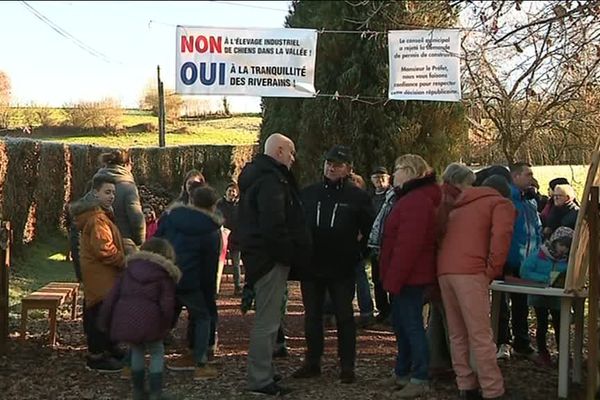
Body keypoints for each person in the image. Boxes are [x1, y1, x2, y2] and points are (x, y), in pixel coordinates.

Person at [293, 145, 374, 384]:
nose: (331, 167)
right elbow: (296, 223)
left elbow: (370, 231)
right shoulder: (309, 192)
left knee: (345, 316)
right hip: (312, 264)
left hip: (342, 266)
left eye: (337, 164)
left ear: (348, 168)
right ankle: (312, 362)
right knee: (312, 316)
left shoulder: (357, 197)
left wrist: (359, 254)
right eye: (328, 162)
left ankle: (347, 365)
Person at [237, 133, 310, 396]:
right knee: (267, 322)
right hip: (269, 259)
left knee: (269, 320)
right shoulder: (272, 182)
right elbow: (274, 225)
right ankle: (259, 378)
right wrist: (287, 254)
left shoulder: (258, 178)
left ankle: (264, 370)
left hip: (260, 256)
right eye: (290, 153)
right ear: (279, 151)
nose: (293, 159)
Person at [437, 175, 516, 400]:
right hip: (471, 271)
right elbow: (502, 236)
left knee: (457, 333)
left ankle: (466, 386)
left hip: (445, 270)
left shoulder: (458, 204)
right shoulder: (499, 203)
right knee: (480, 334)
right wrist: (492, 269)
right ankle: (493, 390)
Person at [379, 154, 441, 398]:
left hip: (410, 276)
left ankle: (420, 376)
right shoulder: (414, 198)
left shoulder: (415, 201)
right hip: (407, 274)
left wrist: (393, 279)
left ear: (410, 171)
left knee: (412, 326)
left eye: (397, 169)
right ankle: (403, 371)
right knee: (403, 326)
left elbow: (408, 246)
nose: (394, 175)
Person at [99, 238, 182, 400]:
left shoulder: (128, 270)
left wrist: (105, 318)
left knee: (137, 349)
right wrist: (167, 324)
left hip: (128, 318)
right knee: (157, 351)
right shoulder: (164, 275)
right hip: (152, 321)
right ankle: (155, 392)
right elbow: (167, 304)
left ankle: (138, 390)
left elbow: (112, 296)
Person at [156, 186, 222, 380]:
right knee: (202, 316)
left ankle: (135, 359)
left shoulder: (171, 218)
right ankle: (200, 362)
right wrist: (209, 293)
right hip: (191, 279)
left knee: (164, 316)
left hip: (168, 273)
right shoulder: (210, 230)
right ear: (212, 206)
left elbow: (157, 240)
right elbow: (209, 266)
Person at [70, 174, 125, 372]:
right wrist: (124, 260)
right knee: (99, 316)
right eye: (107, 192)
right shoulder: (96, 220)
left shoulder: (101, 216)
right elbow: (104, 250)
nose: (111, 196)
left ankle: (109, 349)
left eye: (113, 193)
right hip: (100, 276)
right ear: (95, 193)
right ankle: (97, 356)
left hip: (102, 276)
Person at [429, 163, 476, 378]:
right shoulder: (449, 201)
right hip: (447, 265)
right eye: (468, 184)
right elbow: (442, 232)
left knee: (438, 316)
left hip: (440, 265)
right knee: (452, 319)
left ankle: (436, 362)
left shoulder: (443, 197)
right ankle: (462, 370)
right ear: (458, 181)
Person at [497, 162, 542, 360]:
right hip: (507, 259)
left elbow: (537, 230)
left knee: (522, 303)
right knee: (502, 303)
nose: (531, 177)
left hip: (528, 262)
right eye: (528, 174)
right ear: (515, 177)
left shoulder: (530, 201)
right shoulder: (507, 200)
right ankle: (502, 341)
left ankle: (522, 342)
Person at [521, 227, 574, 368]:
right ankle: (543, 353)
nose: (563, 250)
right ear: (554, 242)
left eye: (567, 247)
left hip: (558, 299)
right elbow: (525, 271)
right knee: (542, 325)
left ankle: (564, 355)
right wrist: (544, 279)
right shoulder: (540, 254)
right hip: (540, 297)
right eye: (561, 245)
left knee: (560, 325)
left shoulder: (569, 260)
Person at [93, 150, 145, 254]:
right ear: (126, 164)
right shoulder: (128, 187)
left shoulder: (95, 184)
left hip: (98, 239)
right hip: (123, 242)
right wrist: (139, 240)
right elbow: (136, 218)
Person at [348, 172, 376, 328]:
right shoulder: (362, 200)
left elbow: (368, 223)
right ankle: (364, 312)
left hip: (357, 246)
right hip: (352, 244)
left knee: (359, 278)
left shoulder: (361, 201)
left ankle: (366, 312)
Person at [368, 166, 392, 323]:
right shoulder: (369, 198)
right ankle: (383, 310)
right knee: (377, 279)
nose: (379, 181)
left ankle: (393, 312)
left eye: (382, 177)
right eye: (376, 178)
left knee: (390, 279)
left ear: (388, 178)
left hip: (389, 243)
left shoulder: (392, 197)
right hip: (374, 245)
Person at [216, 182, 242, 295]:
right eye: (230, 191)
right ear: (226, 192)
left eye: (234, 191)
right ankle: (215, 288)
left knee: (236, 264)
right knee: (218, 264)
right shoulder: (219, 204)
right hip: (221, 237)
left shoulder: (240, 205)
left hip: (236, 238)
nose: (232, 193)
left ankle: (237, 286)